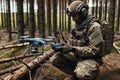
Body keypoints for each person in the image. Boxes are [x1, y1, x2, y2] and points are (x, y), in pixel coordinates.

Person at [50, 0, 104, 80]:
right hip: (78, 56)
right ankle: (76, 73)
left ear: (83, 13)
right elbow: (71, 43)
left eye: (74, 16)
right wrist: (63, 47)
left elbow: (93, 50)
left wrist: (72, 49)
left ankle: (92, 74)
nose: (73, 19)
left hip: (92, 58)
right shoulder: (77, 26)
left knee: (83, 75)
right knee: (54, 59)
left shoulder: (95, 27)